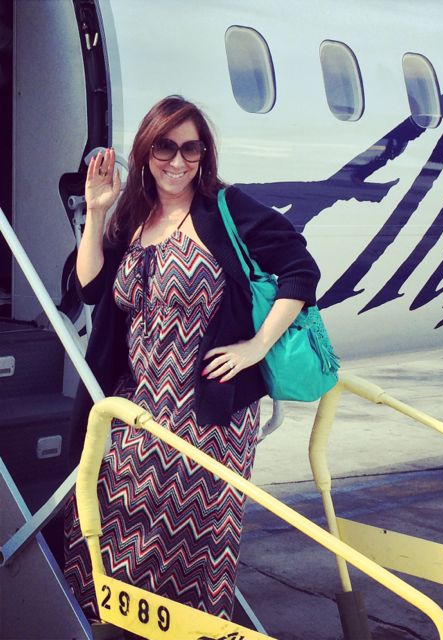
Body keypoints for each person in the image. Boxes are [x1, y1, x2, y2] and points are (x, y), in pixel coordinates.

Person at [64, 95, 321, 623]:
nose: (177, 162)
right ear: (146, 149)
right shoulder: (133, 216)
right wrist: (95, 211)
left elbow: (300, 270)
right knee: (111, 524)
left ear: (205, 154)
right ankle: (113, 627)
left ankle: (190, 631)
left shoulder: (226, 209)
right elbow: (91, 289)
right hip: (138, 403)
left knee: (190, 549)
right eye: (165, 147)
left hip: (208, 410)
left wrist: (257, 347)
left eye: (191, 149)